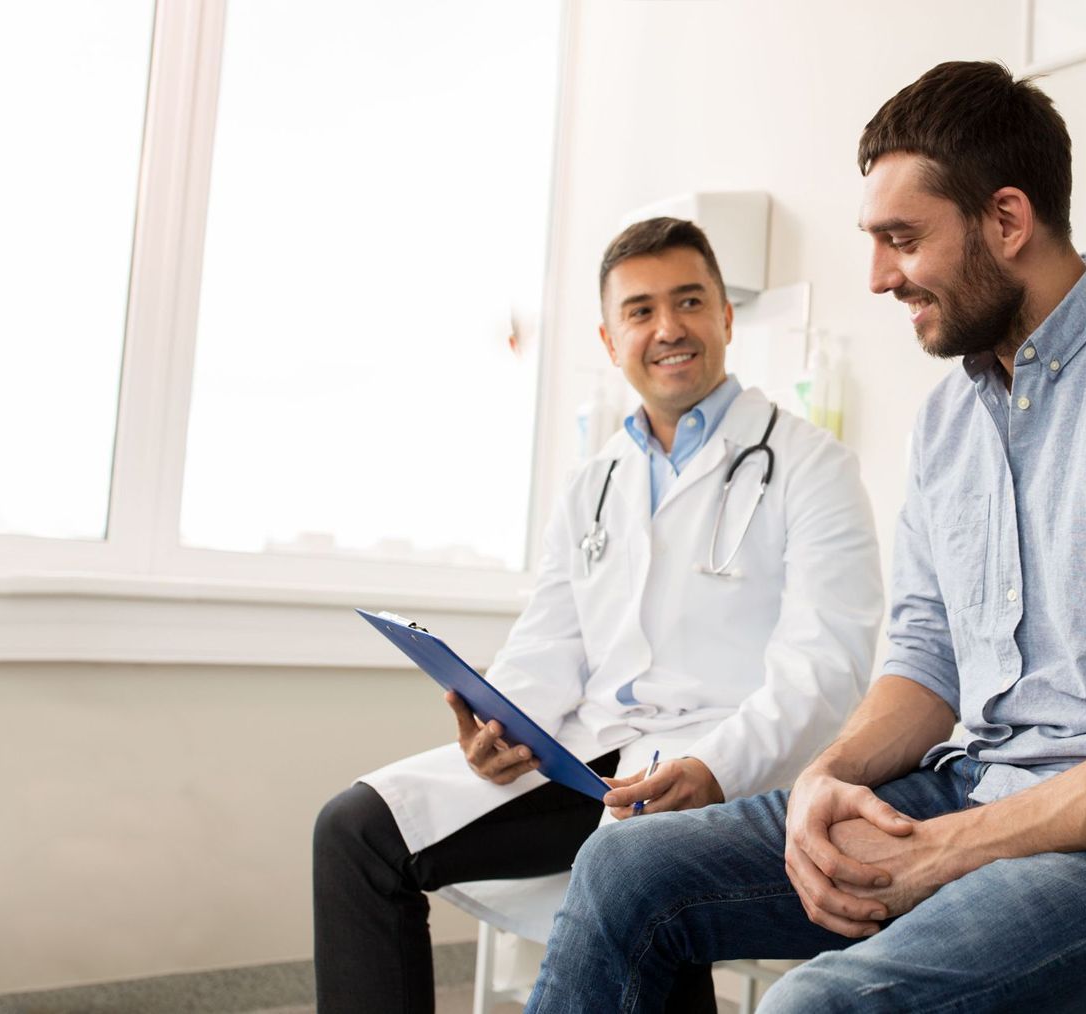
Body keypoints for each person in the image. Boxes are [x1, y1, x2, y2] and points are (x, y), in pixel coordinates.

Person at [526, 61, 1086, 1014]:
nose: (877, 277)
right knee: (628, 870)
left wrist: (947, 852)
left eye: (902, 240)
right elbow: (927, 663)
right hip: (978, 789)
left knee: (811, 1006)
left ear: (1006, 219)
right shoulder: (953, 420)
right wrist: (825, 781)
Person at [311, 217, 885, 1013]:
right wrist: (499, 723)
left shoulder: (812, 467)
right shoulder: (595, 483)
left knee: (644, 871)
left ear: (725, 316)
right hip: (591, 760)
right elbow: (550, 642)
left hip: (728, 766)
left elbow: (827, 670)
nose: (668, 327)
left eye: (689, 301)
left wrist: (717, 767)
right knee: (356, 830)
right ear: (611, 340)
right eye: (641, 311)